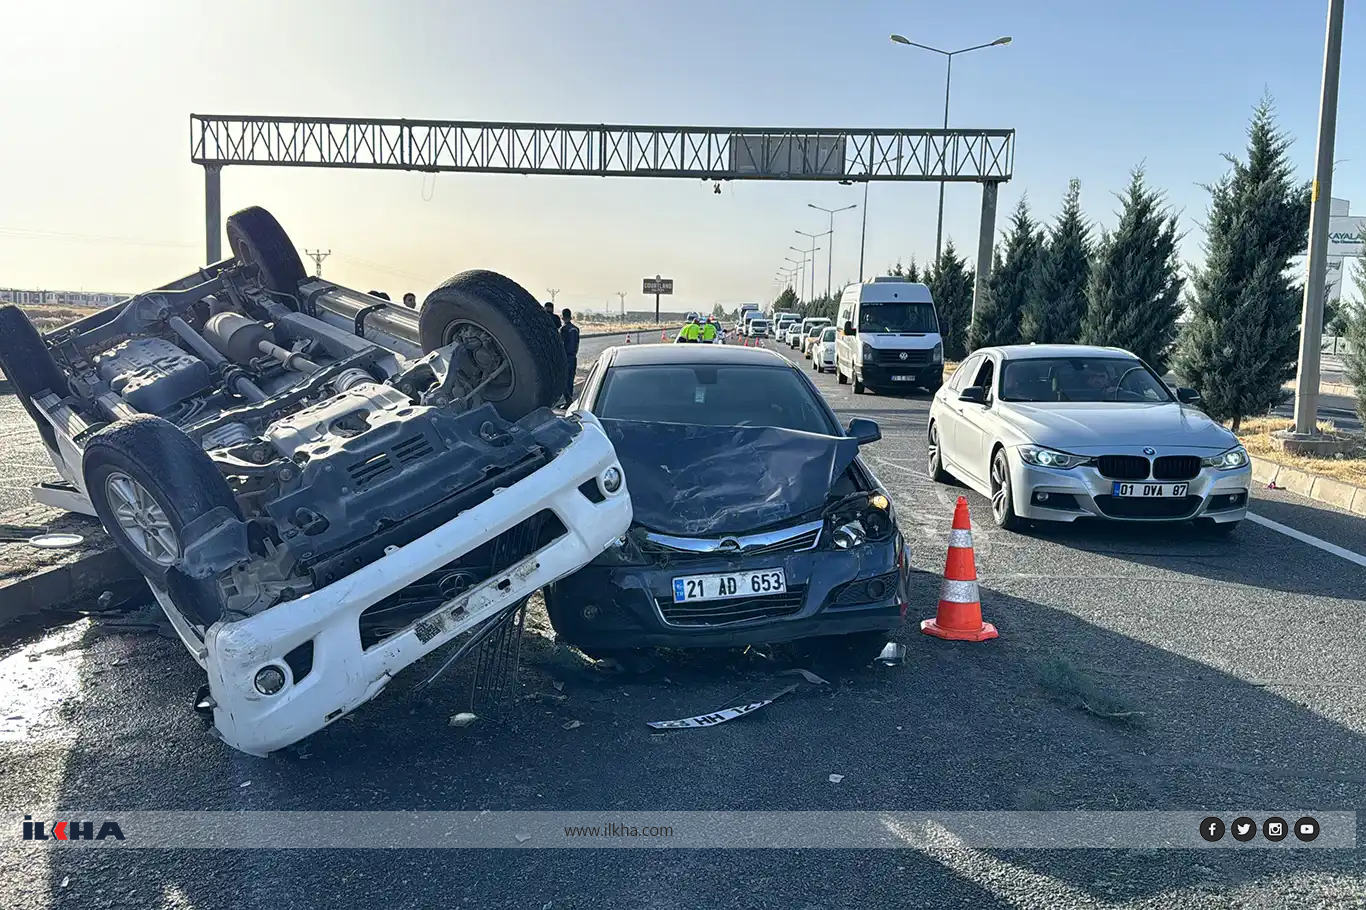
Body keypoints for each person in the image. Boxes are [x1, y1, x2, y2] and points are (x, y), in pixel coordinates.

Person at [560, 309, 580, 406]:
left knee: (564, 380)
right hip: (573, 357)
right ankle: (570, 401)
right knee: (571, 379)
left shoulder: (563, 329)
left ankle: (568, 401)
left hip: (566, 357)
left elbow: (561, 344)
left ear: (563, 317)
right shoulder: (576, 329)